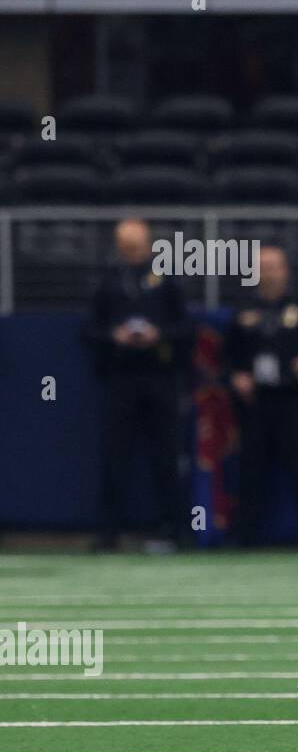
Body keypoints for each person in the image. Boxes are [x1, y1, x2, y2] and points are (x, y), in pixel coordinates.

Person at [83, 218, 191, 551]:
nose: (133, 253)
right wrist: (114, 337)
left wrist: (160, 335)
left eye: (138, 246)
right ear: (119, 247)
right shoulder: (107, 284)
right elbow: (88, 331)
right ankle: (109, 532)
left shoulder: (166, 282)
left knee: (166, 454)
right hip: (121, 378)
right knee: (115, 456)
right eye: (127, 247)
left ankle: (175, 528)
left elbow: (187, 328)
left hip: (159, 377)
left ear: (148, 245)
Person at [226, 245, 298, 545]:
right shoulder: (243, 309)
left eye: (274, 266)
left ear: (285, 271)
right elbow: (227, 356)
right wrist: (236, 376)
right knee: (250, 467)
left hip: (293, 398)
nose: (268, 273)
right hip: (255, 402)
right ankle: (243, 534)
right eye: (262, 267)